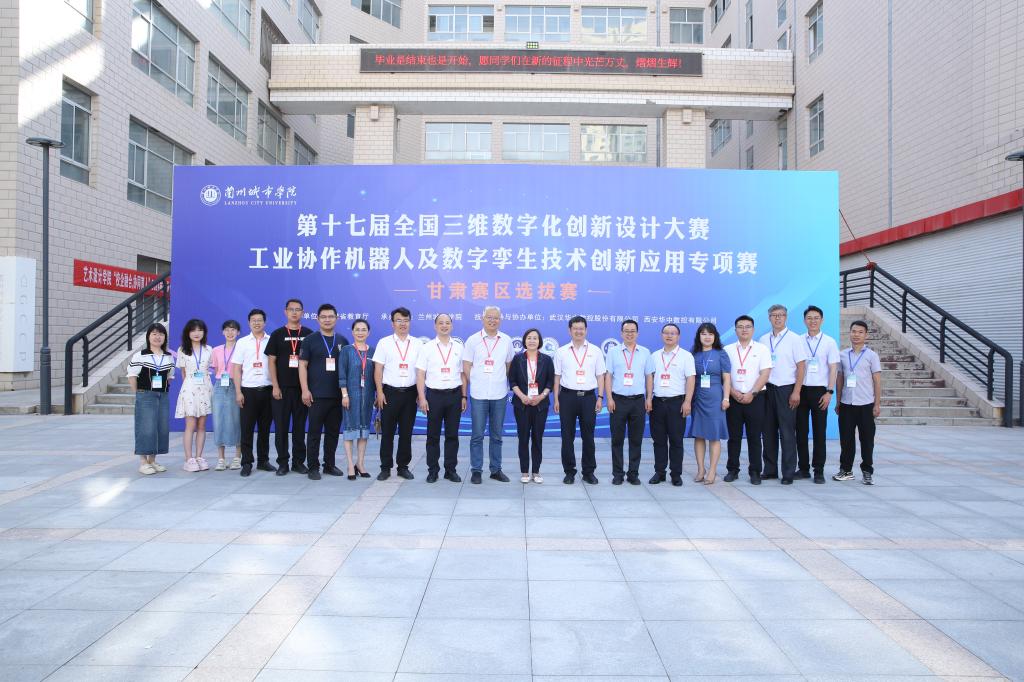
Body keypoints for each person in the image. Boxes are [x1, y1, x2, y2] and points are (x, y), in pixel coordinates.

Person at [462, 305, 515, 484]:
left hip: (499, 394)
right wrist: (477, 381)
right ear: (482, 319)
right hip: (478, 394)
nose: (492, 320)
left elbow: (509, 365)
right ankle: (476, 470)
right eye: (489, 317)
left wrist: (500, 380)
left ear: (500, 320)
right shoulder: (473, 340)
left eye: (496, 318)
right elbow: (466, 365)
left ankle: (496, 469)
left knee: (497, 435)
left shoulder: (506, 340)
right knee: (477, 434)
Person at [758, 304, 808, 485]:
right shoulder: (763, 339)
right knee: (768, 432)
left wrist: (796, 391)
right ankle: (770, 470)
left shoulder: (795, 339)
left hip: (786, 390)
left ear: (786, 317)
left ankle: (788, 472)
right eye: (774, 315)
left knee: (787, 433)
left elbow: (801, 367)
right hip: (767, 390)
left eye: (781, 315)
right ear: (769, 318)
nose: (777, 318)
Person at [553, 316, 606, 484]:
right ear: (570, 330)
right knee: (567, 436)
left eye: (581, 328)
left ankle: (588, 472)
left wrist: (600, 397)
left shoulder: (595, 351)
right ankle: (569, 472)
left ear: (586, 330)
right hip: (567, 397)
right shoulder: (561, 351)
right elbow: (557, 377)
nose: (578, 331)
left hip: (589, 398)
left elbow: (600, 376)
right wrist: (556, 399)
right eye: (575, 328)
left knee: (588, 436)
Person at [266, 299, 315, 476]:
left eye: (298, 309)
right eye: (291, 309)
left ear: (303, 312)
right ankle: (283, 463)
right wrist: (275, 386)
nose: (294, 312)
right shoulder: (277, 334)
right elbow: (271, 362)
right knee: (281, 428)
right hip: (282, 389)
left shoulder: (309, 334)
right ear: (285, 312)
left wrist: (307, 389)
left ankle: (298, 462)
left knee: (300, 427)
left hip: (302, 390)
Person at [373, 307, 423, 480]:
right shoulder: (384, 343)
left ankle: (403, 467)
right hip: (389, 393)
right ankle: (385, 468)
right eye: (399, 320)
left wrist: (420, 393)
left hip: (410, 394)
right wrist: (379, 392)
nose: (403, 323)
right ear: (392, 323)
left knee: (406, 432)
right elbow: (378, 370)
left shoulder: (417, 344)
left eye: (406, 320)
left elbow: (421, 371)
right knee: (387, 432)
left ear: (410, 322)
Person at [416, 314, 466, 483]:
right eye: (441, 323)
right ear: (435, 326)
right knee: (433, 436)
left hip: (454, 395)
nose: (444, 326)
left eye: (447, 323)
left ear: (452, 325)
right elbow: (420, 374)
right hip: (434, 396)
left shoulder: (459, 347)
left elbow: (463, 374)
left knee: (452, 435)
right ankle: (433, 470)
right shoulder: (427, 347)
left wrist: (464, 396)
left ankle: (450, 470)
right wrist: (422, 397)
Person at [645, 323, 695, 486]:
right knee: (658, 440)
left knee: (676, 440)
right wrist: (649, 398)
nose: (669, 335)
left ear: (678, 336)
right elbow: (650, 378)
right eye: (666, 333)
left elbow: (690, 379)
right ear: (662, 335)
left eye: (673, 333)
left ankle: (676, 474)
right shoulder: (654, 356)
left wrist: (687, 401)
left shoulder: (686, 356)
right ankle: (659, 472)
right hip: (658, 402)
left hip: (677, 403)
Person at [299, 303, 345, 480]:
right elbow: (302, 366)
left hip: (337, 396)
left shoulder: (342, 341)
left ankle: (329, 465)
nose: (327, 320)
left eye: (331, 316)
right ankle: (313, 467)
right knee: (314, 434)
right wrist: (305, 390)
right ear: (318, 319)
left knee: (333, 433)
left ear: (336, 319)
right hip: (316, 395)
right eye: (324, 317)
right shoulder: (310, 340)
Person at [724, 315, 772, 485]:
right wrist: (732, 392)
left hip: (756, 398)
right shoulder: (727, 350)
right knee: (734, 437)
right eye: (740, 326)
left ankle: (755, 471)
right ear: (735, 330)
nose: (744, 330)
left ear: (753, 329)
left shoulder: (762, 349)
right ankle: (733, 470)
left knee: (754, 437)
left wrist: (752, 393)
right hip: (734, 399)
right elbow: (724, 375)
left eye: (747, 326)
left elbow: (765, 373)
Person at [834, 320, 882, 485]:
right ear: (850, 333)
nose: (856, 335)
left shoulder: (871, 356)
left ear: (866, 335)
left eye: (860, 332)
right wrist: (838, 401)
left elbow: (877, 381)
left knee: (867, 440)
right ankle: (846, 470)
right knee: (846, 439)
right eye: (854, 331)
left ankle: (867, 471)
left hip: (866, 404)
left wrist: (877, 404)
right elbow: (840, 379)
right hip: (847, 404)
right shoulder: (842, 355)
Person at [797, 305, 840, 484]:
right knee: (800, 432)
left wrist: (829, 392)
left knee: (819, 432)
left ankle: (818, 470)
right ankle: (803, 468)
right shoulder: (798, 340)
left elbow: (833, 368)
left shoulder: (829, 342)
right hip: (801, 390)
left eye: (816, 318)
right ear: (804, 320)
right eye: (809, 318)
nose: (812, 321)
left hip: (820, 392)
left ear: (822, 320)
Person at [605, 319, 651, 485]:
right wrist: (609, 398)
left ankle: (633, 474)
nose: (629, 334)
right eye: (626, 331)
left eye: (633, 331)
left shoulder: (645, 352)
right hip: (618, 400)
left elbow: (649, 376)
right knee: (617, 439)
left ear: (637, 333)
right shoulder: (613, 352)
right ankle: (618, 474)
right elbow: (608, 376)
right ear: (621, 333)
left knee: (636, 440)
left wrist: (649, 398)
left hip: (638, 401)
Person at [230, 309, 275, 477]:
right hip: (248, 391)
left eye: (260, 320)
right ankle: (247, 462)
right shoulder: (242, 342)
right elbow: (236, 368)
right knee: (247, 429)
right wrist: (238, 392)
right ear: (249, 323)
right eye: (253, 320)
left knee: (265, 428)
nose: (257, 323)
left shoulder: (271, 340)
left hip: (267, 390)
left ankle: (263, 461)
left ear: (265, 322)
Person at [509, 328, 554, 483]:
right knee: (523, 438)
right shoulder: (518, 359)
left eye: (535, 338)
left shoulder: (547, 360)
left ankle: (536, 471)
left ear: (539, 341)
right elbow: (512, 381)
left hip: (540, 405)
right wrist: (522, 396)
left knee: (537, 438)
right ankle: (524, 471)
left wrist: (541, 397)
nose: (532, 341)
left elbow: (550, 382)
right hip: (522, 405)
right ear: (524, 340)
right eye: (529, 338)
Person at [128, 323, 173, 475]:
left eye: (161, 334)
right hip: (145, 395)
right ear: (148, 337)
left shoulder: (168, 357)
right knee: (145, 427)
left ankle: (152, 461)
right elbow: (132, 376)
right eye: (154, 334)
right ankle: (143, 462)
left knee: (160, 427)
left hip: (163, 395)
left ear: (165, 337)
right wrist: (139, 393)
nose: (157, 337)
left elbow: (169, 377)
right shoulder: (140, 355)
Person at [689, 323, 731, 485]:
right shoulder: (694, 354)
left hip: (715, 398)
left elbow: (726, 378)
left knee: (714, 435)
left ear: (715, 337)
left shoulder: (721, 354)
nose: (707, 337)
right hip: (698, 398)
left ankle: (712, 470)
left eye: (710, 334)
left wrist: (726, 398)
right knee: (699, 435)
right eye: (704, 334)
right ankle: (701, 469)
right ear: (698, 336)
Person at [175, 319, 214, 473]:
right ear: (188, 333)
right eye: (193, 330)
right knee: (190, 425)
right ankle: (189, 459)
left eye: (200, 330)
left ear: (204, 332)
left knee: (202, 425)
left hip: (205, 388)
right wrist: (189, 389)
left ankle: (199, 457)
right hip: (190, 389)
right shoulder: (182, 350)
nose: (197, 333)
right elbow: (183, 373)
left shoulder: (209, 349)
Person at [339, 318, 375, 479]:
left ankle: (360, 463)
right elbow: (342, 374)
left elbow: (376, 375)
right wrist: (344, 394)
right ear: (352, 332)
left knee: (363, 431)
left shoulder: (373, 352)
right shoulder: (346, 350)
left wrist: (376, 395)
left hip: (367, 398)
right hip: (350, 397)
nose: (360, 332)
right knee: (350, 430)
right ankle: (350, 465)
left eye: (363, 330)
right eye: (357, 329)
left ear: (369, 332)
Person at [210, 320, 242, 471]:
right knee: (218, 421)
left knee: (237, 420)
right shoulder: (216, 350)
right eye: (227, 330)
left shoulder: (241, 348)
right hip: (219, 386)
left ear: (238, 332)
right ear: (223, 332)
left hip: (236, 385)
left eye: (233, 330)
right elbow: (216, 369)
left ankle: (237, 457)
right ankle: (221, 459)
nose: (230, 333)